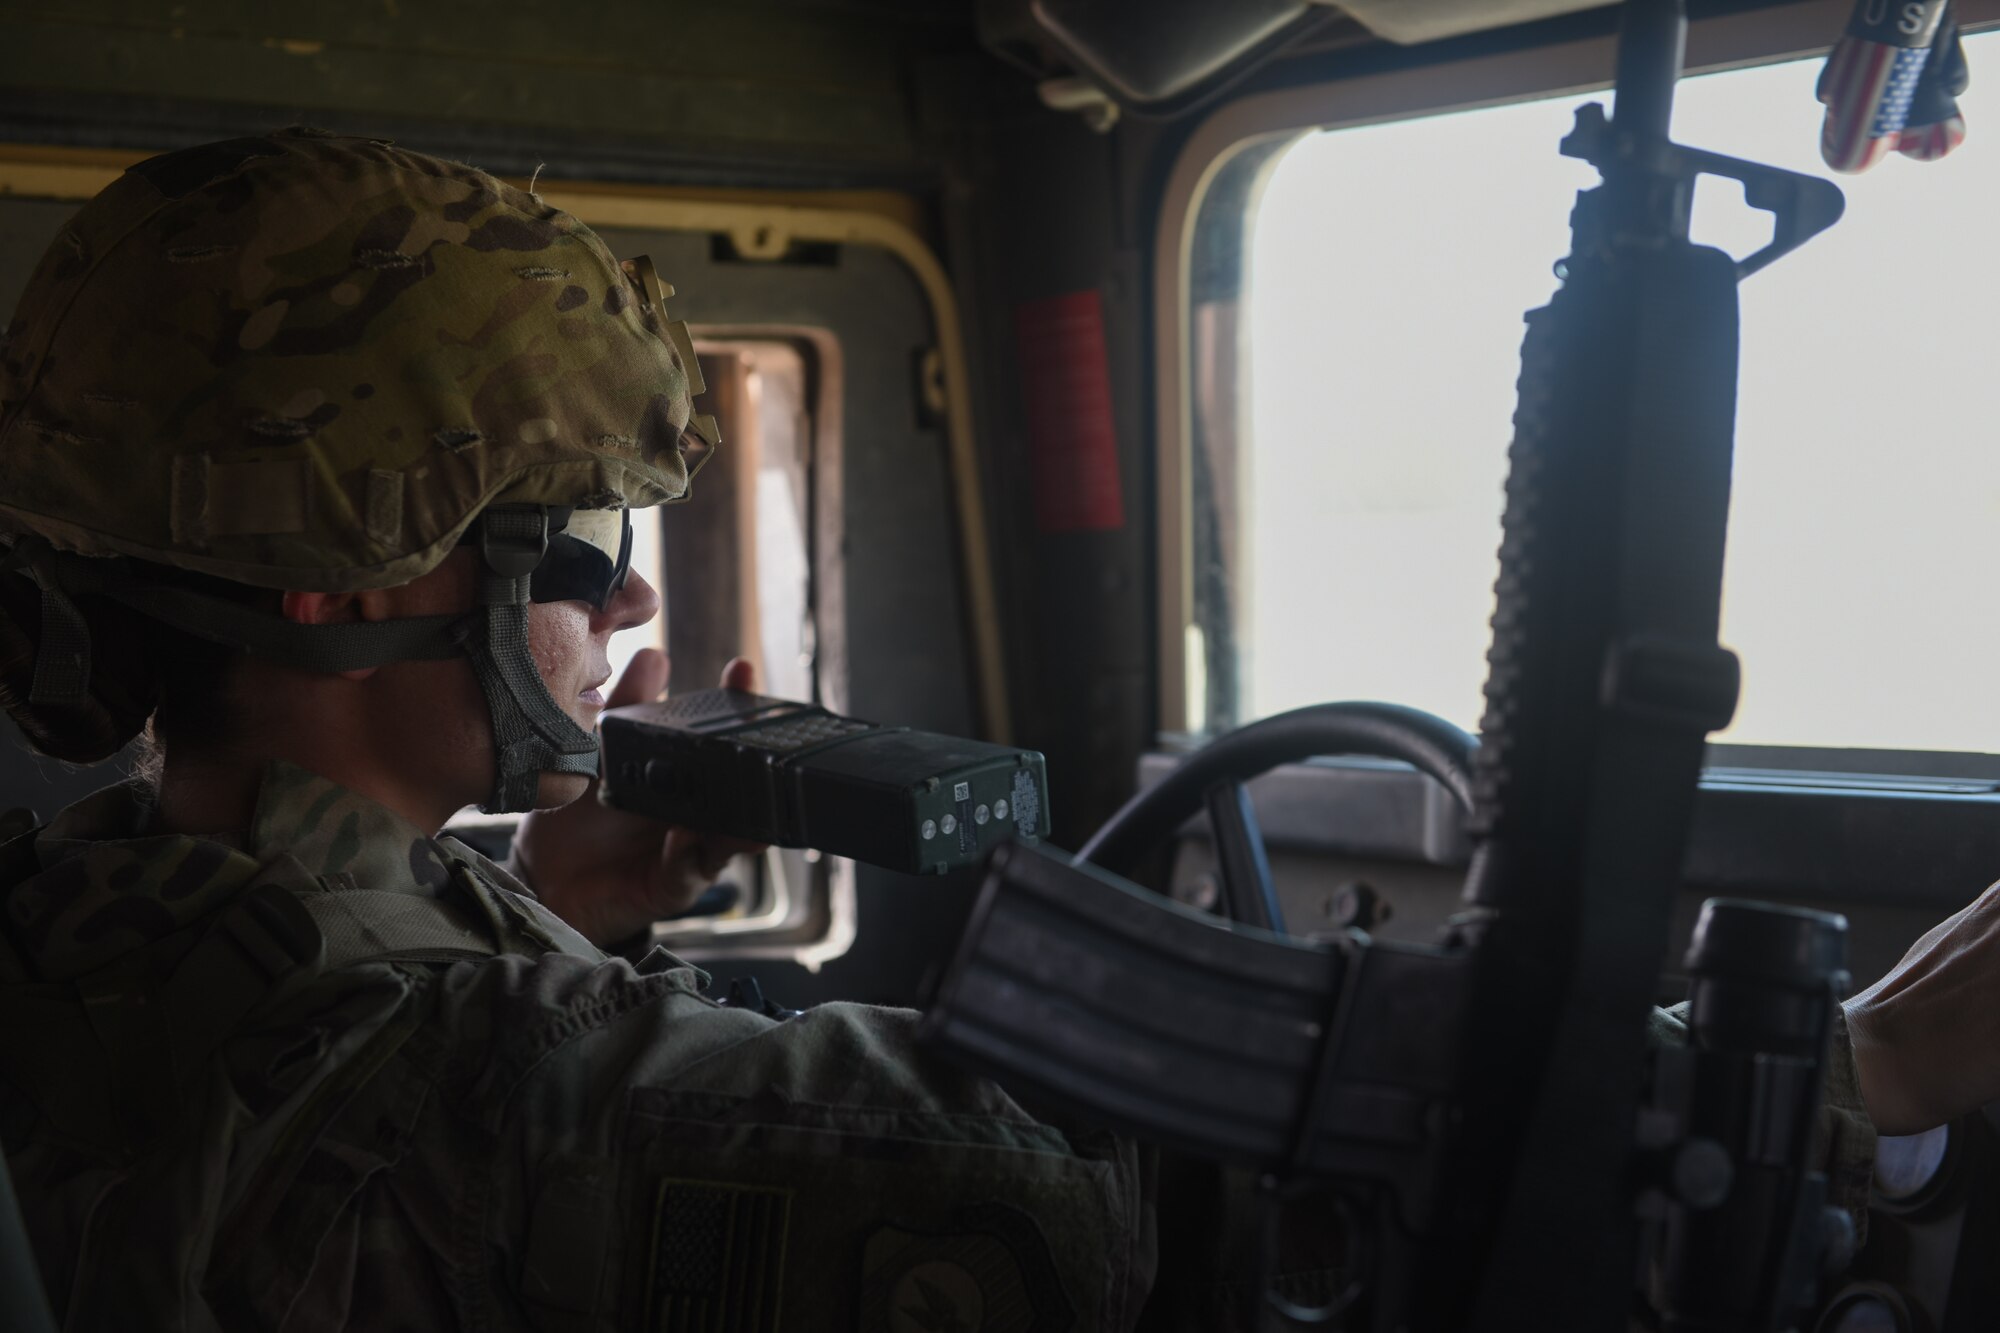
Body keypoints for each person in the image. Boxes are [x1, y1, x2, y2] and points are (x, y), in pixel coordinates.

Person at [0, 127, 1983, 1331]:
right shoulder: (457, 1081)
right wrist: (1856, 1073)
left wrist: (563, 910)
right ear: (356, 583)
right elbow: (1112, 1210)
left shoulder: (106, 928)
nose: (621, 606)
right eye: (578, 547)